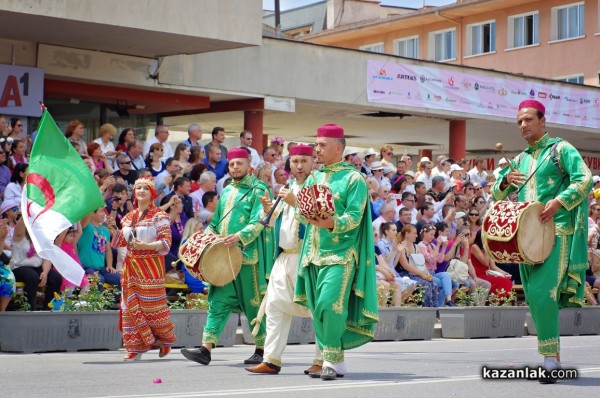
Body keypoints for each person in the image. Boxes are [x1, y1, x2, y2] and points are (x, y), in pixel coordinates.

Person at [491, 99, 592, 382]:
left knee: (540, 293)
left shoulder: (561, 149)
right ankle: (555, 359)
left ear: (542, 121)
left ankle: (548, 360)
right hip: (525, 238)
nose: (523, 125)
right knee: (535, 300)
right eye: (519, 122)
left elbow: (584, 179)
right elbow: (495, 196)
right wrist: (504, 182)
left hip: (557, 231)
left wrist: (559, 202)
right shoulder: (520, 159)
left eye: (528, 120)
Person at [294, 124, 378, 381]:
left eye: (321, 145)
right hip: (312, 253)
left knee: (329, 304)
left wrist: (331, 222)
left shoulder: (354, 179)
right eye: (316, 144)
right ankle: (336, 359)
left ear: (338, 148)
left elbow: (355, 216)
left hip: (341, 253)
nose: (316, 150)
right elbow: (301, 212)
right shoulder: (314, 178)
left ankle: (329, 359)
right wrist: (302, 212)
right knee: (316, 308)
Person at [180, 147, 275, 366]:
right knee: (218, 301)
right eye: (231, 164)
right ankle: (206, 348)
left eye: (238, 163)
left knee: (253, 304)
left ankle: (262, 350)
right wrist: (205, 240)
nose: (234, 167)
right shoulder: (228, 190)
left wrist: (240, 237)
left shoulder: (259, 189)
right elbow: (216, 223)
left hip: (247, 257)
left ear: (248, 164)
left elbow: (260, 220)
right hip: (223, 257)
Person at [245, 143, 320, 375]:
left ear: (312, 163)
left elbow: (319, 220)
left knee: (318, 309)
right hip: (284, 257)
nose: (299, 166)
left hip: (308, 258)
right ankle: (271, 359)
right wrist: (267, 208)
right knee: (275, 307)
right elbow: (271, 217)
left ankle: (322, 360)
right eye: (295, 161)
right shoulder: (287, 186)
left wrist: (295, 203)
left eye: (303, 161)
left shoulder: (318, 187)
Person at [113, 177, 176, 361]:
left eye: (145, 188)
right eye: (138, 187)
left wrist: (146, 247)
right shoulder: (127, 217)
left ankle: (164, 340)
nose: (141, 190)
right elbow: (122, 242)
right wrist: (113, 230)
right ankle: (134, 347)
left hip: (150, 267)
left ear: (152, 194)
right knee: (129, 305)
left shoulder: (159, 216)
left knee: (151, 307)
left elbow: (166, 242)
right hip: (131, 267)